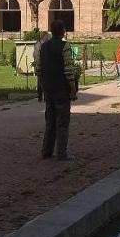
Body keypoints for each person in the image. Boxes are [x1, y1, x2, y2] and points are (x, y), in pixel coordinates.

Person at [40, 19, 78, 160]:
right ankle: (61, 153)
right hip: (61, 88)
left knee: (50, 121)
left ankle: (46, 151)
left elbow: (39, 69)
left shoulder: (44, 46)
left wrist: (43, 87)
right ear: (63, 31)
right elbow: (68, 69)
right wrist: (73, 89)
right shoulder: (65, 46)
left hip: (49, 88)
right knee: (62, 121)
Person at [32, 29, 52, 102]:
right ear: (45, 37)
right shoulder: (40, 44)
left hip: (45, 65)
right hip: (42, 65)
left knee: (43, 81)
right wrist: (39, 64)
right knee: (41, 81)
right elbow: (36, 55)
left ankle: (43, 96)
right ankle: (41, 96)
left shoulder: (43, 44)